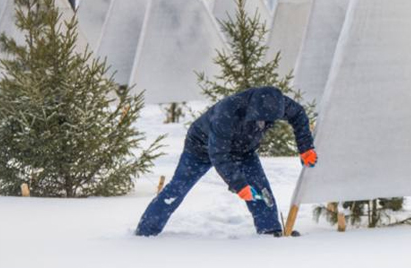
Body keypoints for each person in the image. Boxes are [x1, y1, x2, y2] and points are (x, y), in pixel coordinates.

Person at [135, 87, 317, 237]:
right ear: (253, 109)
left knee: (261, 190)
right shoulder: (228, 111)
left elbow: (299, 115)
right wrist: (239, 185)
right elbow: (219, 155)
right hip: (201, 148)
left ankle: (269, 231)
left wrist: (306, 147)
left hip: (243, 150)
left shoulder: (277, 102)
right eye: (261, 118)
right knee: (177, 188)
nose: (264, 123)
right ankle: (145, 232)